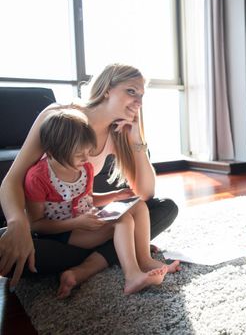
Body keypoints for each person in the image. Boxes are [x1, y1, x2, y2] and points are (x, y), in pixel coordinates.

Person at [0, 63, 179, 290]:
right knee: (7, 252)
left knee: (164, 208)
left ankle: (95, 261)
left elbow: (145, 194)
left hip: (86, 220)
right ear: (107, 89)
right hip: (51, 228)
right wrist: (17, 225)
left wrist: (136, 139)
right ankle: (111, 253)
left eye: (142, 95)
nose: (139, 103)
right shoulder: (59, 118)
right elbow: (12, 179)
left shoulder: (118, 133)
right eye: (131, 91)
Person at [24, 109, 178, 297]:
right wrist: (76, 223)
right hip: (63, 233)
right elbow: (36, 225)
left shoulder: (84, 168)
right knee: (124, 221)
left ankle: (144, 258)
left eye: (88, 151)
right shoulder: (38, 177)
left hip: (86, 221)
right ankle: (132, 276)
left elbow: (87, 199)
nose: (86, 158)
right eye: (79, 153)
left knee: (137, 205)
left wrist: (114, 195)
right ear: (53, 151)